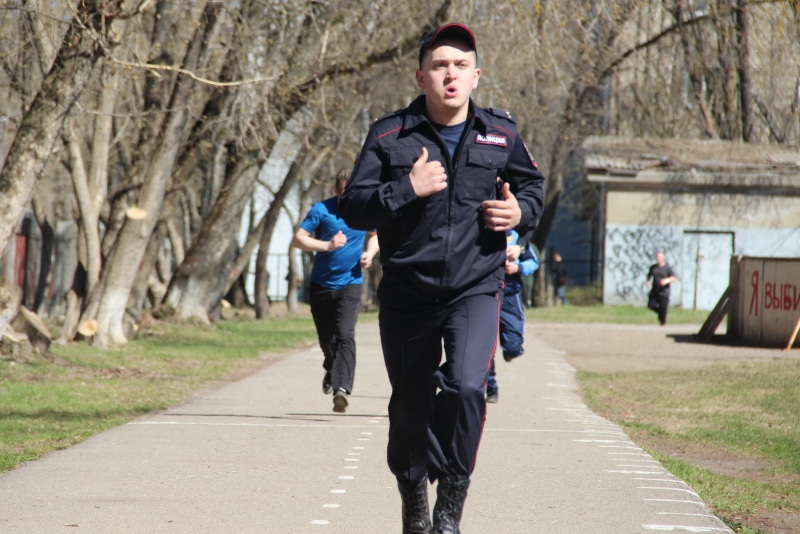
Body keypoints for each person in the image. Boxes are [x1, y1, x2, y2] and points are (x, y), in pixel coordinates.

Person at [339, 23, 545, 534]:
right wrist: (406, 189)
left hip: (476, 288)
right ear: (421, 76)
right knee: (409, 402)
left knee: (465, 388)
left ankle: (449, 507)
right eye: (439, 66)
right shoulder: (390, 135)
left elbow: (533, 190)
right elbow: (354, 207)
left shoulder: (502, 134)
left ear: (475, 76)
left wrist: (518, 212)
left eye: (459, 65)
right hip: (408, 292)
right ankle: (414, 498)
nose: (449, 74)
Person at [291, 168, 379, 413]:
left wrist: (369, 255)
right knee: (327, 340)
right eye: (344, 192)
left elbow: (375, 236)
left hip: (350, 283)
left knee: (345, 335)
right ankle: (332, 366)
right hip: (321, 285)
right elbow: (298, 239)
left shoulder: (364, 210)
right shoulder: (322, 209)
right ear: (336, 190)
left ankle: (342, 389)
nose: (349, 197)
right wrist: (327, 245)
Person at [485, 229, 539, 403]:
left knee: (513, 346)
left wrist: (517, 267)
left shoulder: (518, 238)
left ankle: (511, 351)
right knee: (486, 347)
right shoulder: (482, 233)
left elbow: (534, 262)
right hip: (487, 294)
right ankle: (490, 389)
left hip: (510, 294)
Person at [645, 250, 676, 325]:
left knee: (663, 308)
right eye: (657, 257)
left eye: (660, 257)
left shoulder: (667, 267)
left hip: (664, 291)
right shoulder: (653, 267)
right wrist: (648, 281)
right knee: (651, 305)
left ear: (663, 258)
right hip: (655, 290)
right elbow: (649, 276)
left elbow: (673, 277)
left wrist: (666, 280)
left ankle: (662, 322)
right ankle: (661, 314)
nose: (658, 258)